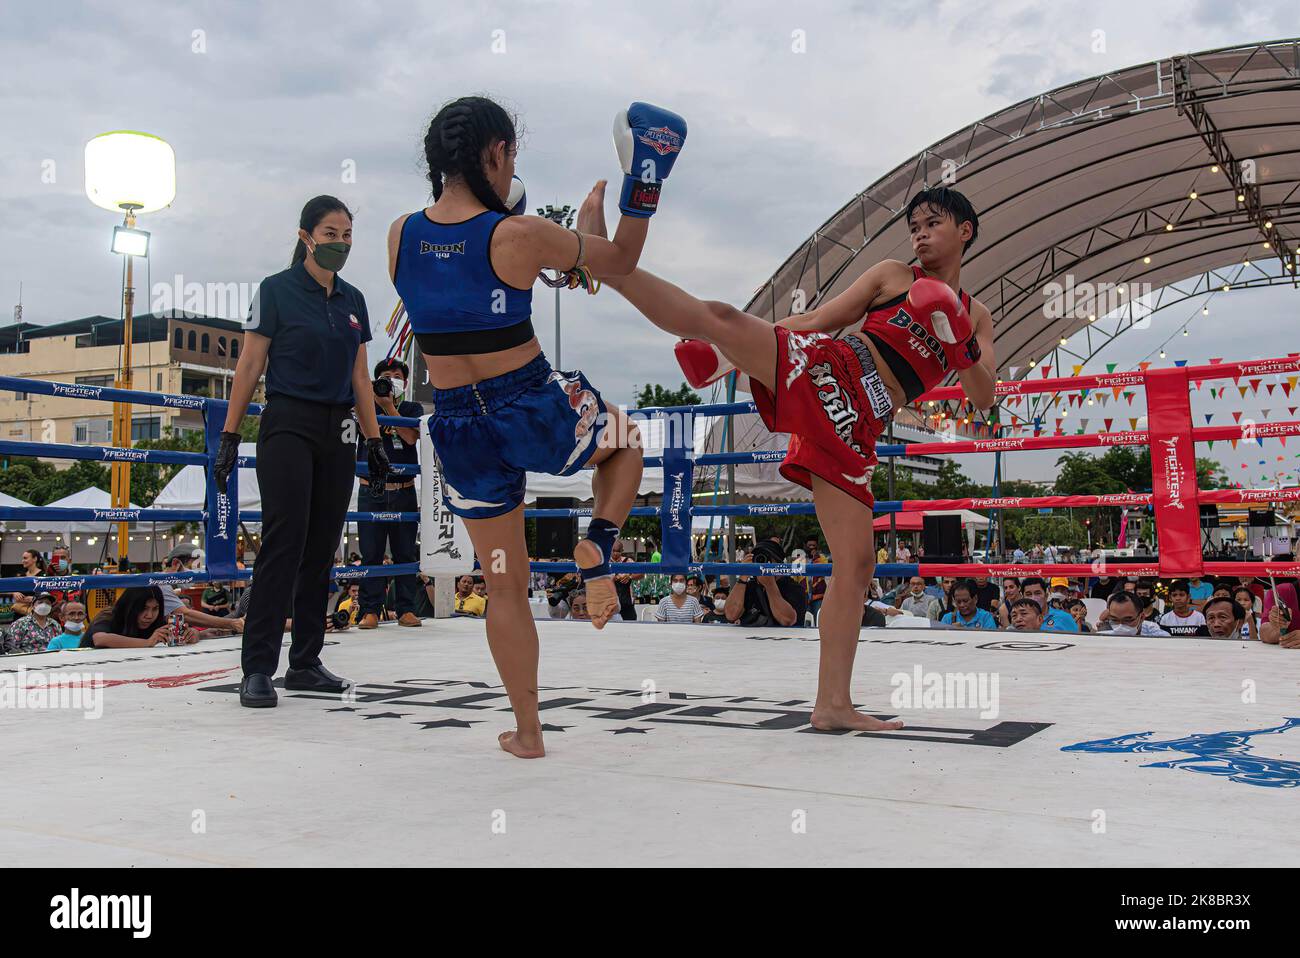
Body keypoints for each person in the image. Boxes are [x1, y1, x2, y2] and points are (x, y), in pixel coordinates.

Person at [591, 186, 994, 730]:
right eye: (915, 225)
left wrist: (959, 337)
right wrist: (752, 346)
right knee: (723, 316)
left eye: (933, 224)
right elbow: (821, 320)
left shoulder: (977, 314)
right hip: (829, 370)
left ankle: (832, 705)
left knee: (855, 566)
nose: (920, 234)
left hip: (860, 423)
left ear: (965, 230)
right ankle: (607, 263)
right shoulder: (893, 275)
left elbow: (983, 395)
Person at [392, 97, 684, 759]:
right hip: (528, 403)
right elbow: (625, 260)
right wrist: (637, 185)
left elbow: (455, 285)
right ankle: (597, 545)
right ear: (495, 153)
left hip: (459, 425)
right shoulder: (518, 236)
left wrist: (566, 254)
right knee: (626, 443)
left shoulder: (398, 236)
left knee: (502, 584)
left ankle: (528, 733)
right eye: (512, 156)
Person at [213, 195, 391, 708]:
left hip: (338, 430)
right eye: (331, 233)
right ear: (305, 236)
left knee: (322, 548)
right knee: (284, 541)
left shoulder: (354, 300)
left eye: (347, 234)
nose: (340, 243)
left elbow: (361, 375)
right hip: (288, 421)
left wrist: (375, 439)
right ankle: (257, 667)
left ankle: (306, 662)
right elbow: (249, 366)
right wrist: (228, 435)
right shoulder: (275, 291)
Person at [355, 356, 424, 630]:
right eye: (385, 376)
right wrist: (374, 402)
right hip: (371, 488)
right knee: (370, 553)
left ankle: (406, 608)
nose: (390, 380)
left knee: (405, 552)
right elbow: (358, 430)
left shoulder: (411, 407)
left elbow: (410, 437)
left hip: (404, 489)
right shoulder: (363, 405)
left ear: (404, 381)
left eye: (396, 375)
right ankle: (369, 609)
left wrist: (389, 406)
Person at [722, 541, 807, 627]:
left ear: (779, 563)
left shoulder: (794, 588)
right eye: (758, 559)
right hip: (751, 638)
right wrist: (743, 577)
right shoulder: (749, 587)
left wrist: (770, 585)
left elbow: (787, 620)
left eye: (768, 560)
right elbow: (731, 615)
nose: (762, 564)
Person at [86, 587, 196, 648]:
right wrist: (148, 642)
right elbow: (100, 639)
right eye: (143, 608)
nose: (149, 616)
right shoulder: (109, 615)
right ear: (130, 606)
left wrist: (192, 634)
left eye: (155, 609)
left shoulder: (160, 620)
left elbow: (183, 635)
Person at [1096, 592, 1170, 637]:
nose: (1120, 626)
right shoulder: (1103, 637)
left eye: (1128, 620)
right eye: (1115, 620)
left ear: (1141, 618)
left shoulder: (1158, 637)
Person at [610, 541, 641, 621]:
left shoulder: (628, 561)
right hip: (610, 602)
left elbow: (641, 574)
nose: (615, 553)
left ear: (622, 551)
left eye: (618, 551)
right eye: (613, 551)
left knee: (631, 623)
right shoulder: (605, 562)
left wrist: (630, 576)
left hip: (626, 601)